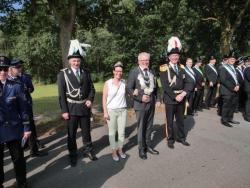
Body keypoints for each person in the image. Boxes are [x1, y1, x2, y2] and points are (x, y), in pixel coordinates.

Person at [57, 39, 97, 167]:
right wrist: (64, 111)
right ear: (70, 61)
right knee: (72, 134)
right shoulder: (63, 74)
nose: (76, 63)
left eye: (78, 60)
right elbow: (62, 94)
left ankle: (88, 151)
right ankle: (73, 154)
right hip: (71, 108)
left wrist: (90, 99)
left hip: (84, 107)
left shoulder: (86, 72)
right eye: (74, 60)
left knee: (86, 132)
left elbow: (92, 89)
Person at [0, 56, 31, 188]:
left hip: (14, 128)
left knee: (18, 158)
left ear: (9, 69)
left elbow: (24, 109)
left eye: (5, 69)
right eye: (0, 69)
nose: (2, 72)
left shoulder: (17, 86)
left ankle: (22, 182)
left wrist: (27, 128)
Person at [8, 59, 47, 157]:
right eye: (17, 68)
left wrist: (26, 90)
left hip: (26, 108)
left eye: (20, 67)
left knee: (31, 129)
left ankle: (34, 150)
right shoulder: (7, 80)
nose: (19, 69)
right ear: (11, 69)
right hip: (14, 112)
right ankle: (23, 149)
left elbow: (30, 89)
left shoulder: (24, 77)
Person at [127, 52, 161, 160]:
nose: (145, 62)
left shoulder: (152, 71)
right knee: (141, 127)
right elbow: (128, 89)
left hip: (151, 103)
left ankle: (149, 146)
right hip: (140, 104)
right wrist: (140, 98)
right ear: (139, 61)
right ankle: (141, 149)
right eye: (143, 60)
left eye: (147, 60)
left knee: (149, 126)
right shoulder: (134, 72)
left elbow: (156, 87)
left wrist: (159, 99)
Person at [159, 36, 192, 149]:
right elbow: (165, 86)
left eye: (177, 56)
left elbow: (188, 82)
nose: (175, 57)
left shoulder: (182, 67)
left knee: (180, 120)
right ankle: (170, 139)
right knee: (169, 121)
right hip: (170, 98)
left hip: (181, 98)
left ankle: (181, 138)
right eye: (173, 55)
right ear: (169, 57)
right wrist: (175, 96)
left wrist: (183, 94)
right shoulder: (164, 68)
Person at [102, 62, 127, 162]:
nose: (119, 73)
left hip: (122, 110)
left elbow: (130, 92)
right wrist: (105, 112)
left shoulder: (124, 82)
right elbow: (104, 98)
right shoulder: (108, 83)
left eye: (120, 71)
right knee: (112, 133)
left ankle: (120, 150)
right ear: (113, 71)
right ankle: (114, 151)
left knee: (121, 132)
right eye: (117, 71)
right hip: (111, 111)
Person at [219, 51, 240, 127]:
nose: (232, 60)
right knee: (226, 106)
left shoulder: (233, 68)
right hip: (227, 91)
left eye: (234, 59)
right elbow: (223, 80)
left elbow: (236, 79)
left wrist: (238, 85)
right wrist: (233, 87)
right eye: (231, 59)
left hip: (234, 90)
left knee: (232, 105)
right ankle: (224, 120)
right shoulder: (223, 68)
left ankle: (230, 118)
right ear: (228, 59)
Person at [243, 56, 250, 122]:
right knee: (249, 102)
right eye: (247, 61)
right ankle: (248, 117)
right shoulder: (248, 69)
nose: (248, 62)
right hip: (248, 89)